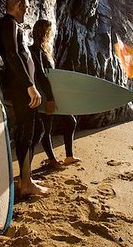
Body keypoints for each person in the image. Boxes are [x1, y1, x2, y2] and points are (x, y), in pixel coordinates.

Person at [0, 0, 56, 196]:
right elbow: (12, 54)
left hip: (22, 87)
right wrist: (29, 85)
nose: (27, 11)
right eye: (26, 7)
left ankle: (25, 176)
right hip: (21, 88)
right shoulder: (8, 23)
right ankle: (25, 183)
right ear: (19, 5)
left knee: (35, 129)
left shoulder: (11, 25)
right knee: (26, 132)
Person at [30, 20, 81, 167]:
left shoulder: (43, 51)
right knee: (46, 128)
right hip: (45, 95)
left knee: (70, 121)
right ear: (45, 33)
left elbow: (52, 76)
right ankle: (52, 160)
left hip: (53, 93)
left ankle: (69, 156)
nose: (52, 34)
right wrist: (50, 98)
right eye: (50, 31)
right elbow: (40, 75)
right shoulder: (35, 50)